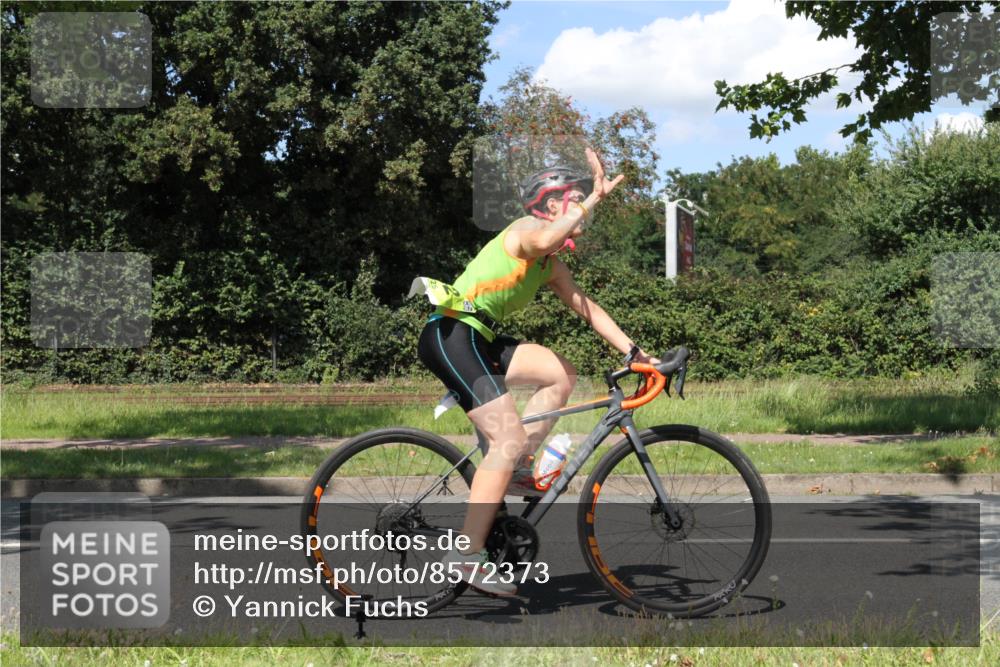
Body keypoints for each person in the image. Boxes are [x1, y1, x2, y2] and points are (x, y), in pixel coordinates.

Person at [416, 148, 658, 596]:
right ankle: (467, 554)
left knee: (560, 373)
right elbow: (546, 239)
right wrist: (597, 197)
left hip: (480, 338)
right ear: (551, 205)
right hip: (452, 334)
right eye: (575, 198)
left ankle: (519, 467)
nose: (584, 207)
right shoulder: (525, 232)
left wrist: (637, 353)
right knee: (505, 438)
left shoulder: (551, 265)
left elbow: (586, 307)